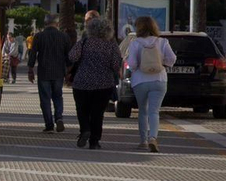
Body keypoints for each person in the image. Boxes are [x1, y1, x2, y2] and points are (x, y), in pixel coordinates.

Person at [67, 16, 123, 149]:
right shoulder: (111, 44)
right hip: (104, 84)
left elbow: (72, 56)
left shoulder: (84, 41)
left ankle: (85, 129)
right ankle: (94, 141)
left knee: (82, 109)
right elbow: (116, 64)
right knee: (98, 113)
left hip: (82, 82)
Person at [124, 15, 177, 152]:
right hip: (159, 80)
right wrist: (162, 63)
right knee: (154, 111)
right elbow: (172, 59)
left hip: (140, 81)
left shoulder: (136, 43)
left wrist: (138, 67)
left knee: (143, 111)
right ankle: (153, 137)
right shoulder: (162, 42)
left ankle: (143, 141)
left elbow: (132, 64)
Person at [28, 21, 72, 132]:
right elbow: (69, 56)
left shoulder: (39, 36)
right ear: (57, 24)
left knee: (45, 99)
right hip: (58, 73)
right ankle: (59, 118)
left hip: (44, 72)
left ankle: (49, 124)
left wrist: (30, 70)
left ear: (45, 24)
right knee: (58, 96)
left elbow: (33, 54)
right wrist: (68, 72)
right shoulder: (64, 36)